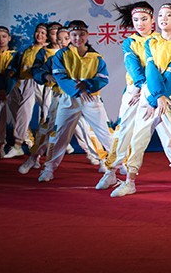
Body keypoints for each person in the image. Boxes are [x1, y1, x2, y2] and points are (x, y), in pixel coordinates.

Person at [109, 3, 171, 197]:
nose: (163, 19)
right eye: (161, 15)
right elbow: (151, 71)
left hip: (170, 98)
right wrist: (156, 97)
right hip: (151, 96)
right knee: (138, 137)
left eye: (169, 15)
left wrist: (160, 96)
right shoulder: (150, 43)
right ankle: (130, 182)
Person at [19, 24, 105, 174]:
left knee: (88, 129)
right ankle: (34, 157)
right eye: (60, 39)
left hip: (82, 98)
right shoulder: (55, 58)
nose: (64, 41)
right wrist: (46, 75)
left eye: (66, 38)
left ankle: (101, 158)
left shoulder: (90, 56)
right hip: (61, 98)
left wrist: (87, 87)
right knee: (49, 129)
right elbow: (38, 70)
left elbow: (99, 77)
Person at [37, 20, 114, 182]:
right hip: (69, 99)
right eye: (74, 35)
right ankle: (49, 168)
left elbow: (103, 78)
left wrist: (88, 85)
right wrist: (79, 89)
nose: (78, 38)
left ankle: (120, 163)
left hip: (91, 98)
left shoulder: (96, 57)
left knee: (105, 133)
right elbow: (60, 76)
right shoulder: (61, 55)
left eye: (81, 34)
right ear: (70, 36)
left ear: (87, 35)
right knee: (59, 135)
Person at [4, 23, 48, 158]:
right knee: (23, 112)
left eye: (43, 33)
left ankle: (47, 144)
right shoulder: (27, 50)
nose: (39, 35)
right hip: (24, 83)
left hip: (42, 83)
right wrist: (12, 73)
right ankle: (20, 144)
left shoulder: (47, 50)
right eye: (37, 32)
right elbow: (18, 67)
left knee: (47, 114)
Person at [0, 25, 18, 158]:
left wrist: (6, 90)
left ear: (9, 38)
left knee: (15, 118)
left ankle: (27, 145)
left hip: (11, 91)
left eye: (4, 36)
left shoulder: (15, 55)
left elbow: (14, 73)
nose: (1, 40)